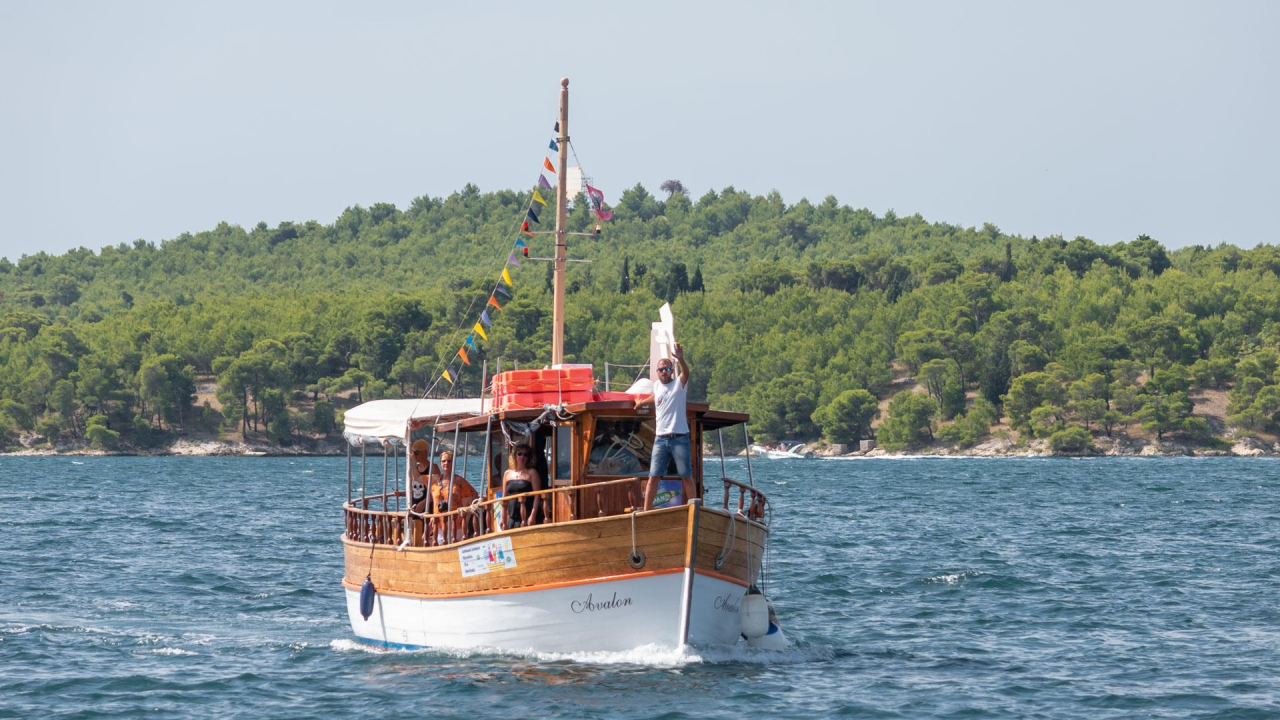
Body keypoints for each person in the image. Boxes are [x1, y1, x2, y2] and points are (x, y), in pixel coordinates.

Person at [633, 342, 692, 510]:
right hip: (660, 439)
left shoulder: (679, 385)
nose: (664, 372)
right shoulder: (657, 385)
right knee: (653, 476)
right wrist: (640, 403)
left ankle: (694, 507)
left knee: (686, 475)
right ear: (657, 372)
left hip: (679, 437)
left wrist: (681, 359)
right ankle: (647, 510)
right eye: (661, 370)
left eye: (667, 369)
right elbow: (655, 396)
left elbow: (686, 373)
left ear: (672, 371)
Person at [502, 443, 543, 528]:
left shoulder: (532, 473)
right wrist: (503, 518)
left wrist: (533, 516)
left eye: (525, 455)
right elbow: (504, 498)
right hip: (513, 517)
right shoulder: (507, 473)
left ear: (529, 458)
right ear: (514, 456)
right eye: (519, 454)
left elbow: (537, 496)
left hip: (527, 515)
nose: (522, 457)